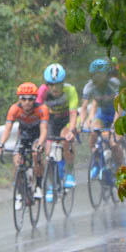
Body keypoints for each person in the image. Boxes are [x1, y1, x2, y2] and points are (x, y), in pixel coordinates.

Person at [0, 82, 49, 209]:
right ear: (19, 99)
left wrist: (40, 144)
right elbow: (8, 128)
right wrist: (2, 143)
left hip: (37, 136)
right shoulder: (14, 109)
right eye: (23, 99)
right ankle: (20, 192)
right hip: (24, 136)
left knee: (36, 154)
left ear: (35, 99)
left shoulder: (41, 109)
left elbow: (44, 130)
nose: (27, 102)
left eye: (30, 99)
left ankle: (38, 186)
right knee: (17, 161)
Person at [37, 64, 79, 196]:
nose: (54, 88)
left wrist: (71, 131)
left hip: (68, 119)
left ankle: (70, 172)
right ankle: (52, 185)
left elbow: (73, 114)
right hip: (52, 119)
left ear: (63, 83)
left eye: (58, 84)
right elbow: (37, 111)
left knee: (65, 138)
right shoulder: (43, 91)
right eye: (51, 84)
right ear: (47, 84)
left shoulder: (70, 90)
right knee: (49, 151)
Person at [79, 58, 124, 167]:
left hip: (117, 113)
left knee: (114, 144)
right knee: (94, 132)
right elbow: (84, 107)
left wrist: (115, 123)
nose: (98, 79)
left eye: (101, 75)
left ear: (107, 75)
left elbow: (119, 105)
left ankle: (120, 167)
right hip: (102, 114)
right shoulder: (89, 87)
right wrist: (82, 123)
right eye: (95, 76)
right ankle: (96, 158)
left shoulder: (114, 84)